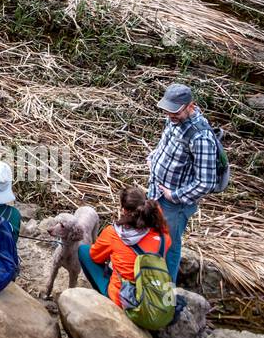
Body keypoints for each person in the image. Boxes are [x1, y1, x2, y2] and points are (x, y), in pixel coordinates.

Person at [146, 82, 217, 283]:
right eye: (167, 110)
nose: (170, 115)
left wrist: (174, 195)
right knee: (154, 237)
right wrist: (154, 158)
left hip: (174, 204)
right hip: (155, 191)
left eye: (175, 111)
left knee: (170, 246)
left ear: (190, 106)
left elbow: (206, 182)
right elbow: (165, 142)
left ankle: (165, 292)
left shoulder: (201, 137)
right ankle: (149, 279)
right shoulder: (173, 120)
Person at [79, 186, 170, 307]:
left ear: (124, 210)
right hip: (154, 295)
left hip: (125, 299)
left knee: (83, 251)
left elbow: (95, 257)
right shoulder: (163, 236)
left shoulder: (113, 233)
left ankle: (105, 299)